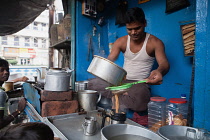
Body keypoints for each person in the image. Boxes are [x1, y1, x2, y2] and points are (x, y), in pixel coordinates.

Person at [88, 7, 170, 114]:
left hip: (139, 83)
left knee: (141, 98)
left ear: (145, 23)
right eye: (129, 29)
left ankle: (117, 96)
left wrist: (159, 71)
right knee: (91, 84)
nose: (133, 32)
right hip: (121, 81)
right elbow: (110, 60)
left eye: (137, 28)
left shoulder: (155, 43)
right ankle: (122, 95)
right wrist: (101, 66)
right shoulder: (121, 41)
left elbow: (164, 64)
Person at [0, 58, 26, 129]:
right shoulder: (1, 93)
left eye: (7, 70)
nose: (6, 72)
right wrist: (18, 111)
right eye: (1, 70)